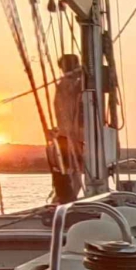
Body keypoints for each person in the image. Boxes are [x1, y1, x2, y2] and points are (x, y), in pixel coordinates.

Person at [53, 53, 84, 195]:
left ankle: (67, 198)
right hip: (69, 136)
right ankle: (68, 200)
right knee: (74, 176)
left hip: (69, 136)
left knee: (74, 175)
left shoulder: (64, 85)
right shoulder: (67, 85)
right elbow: (76, 88)